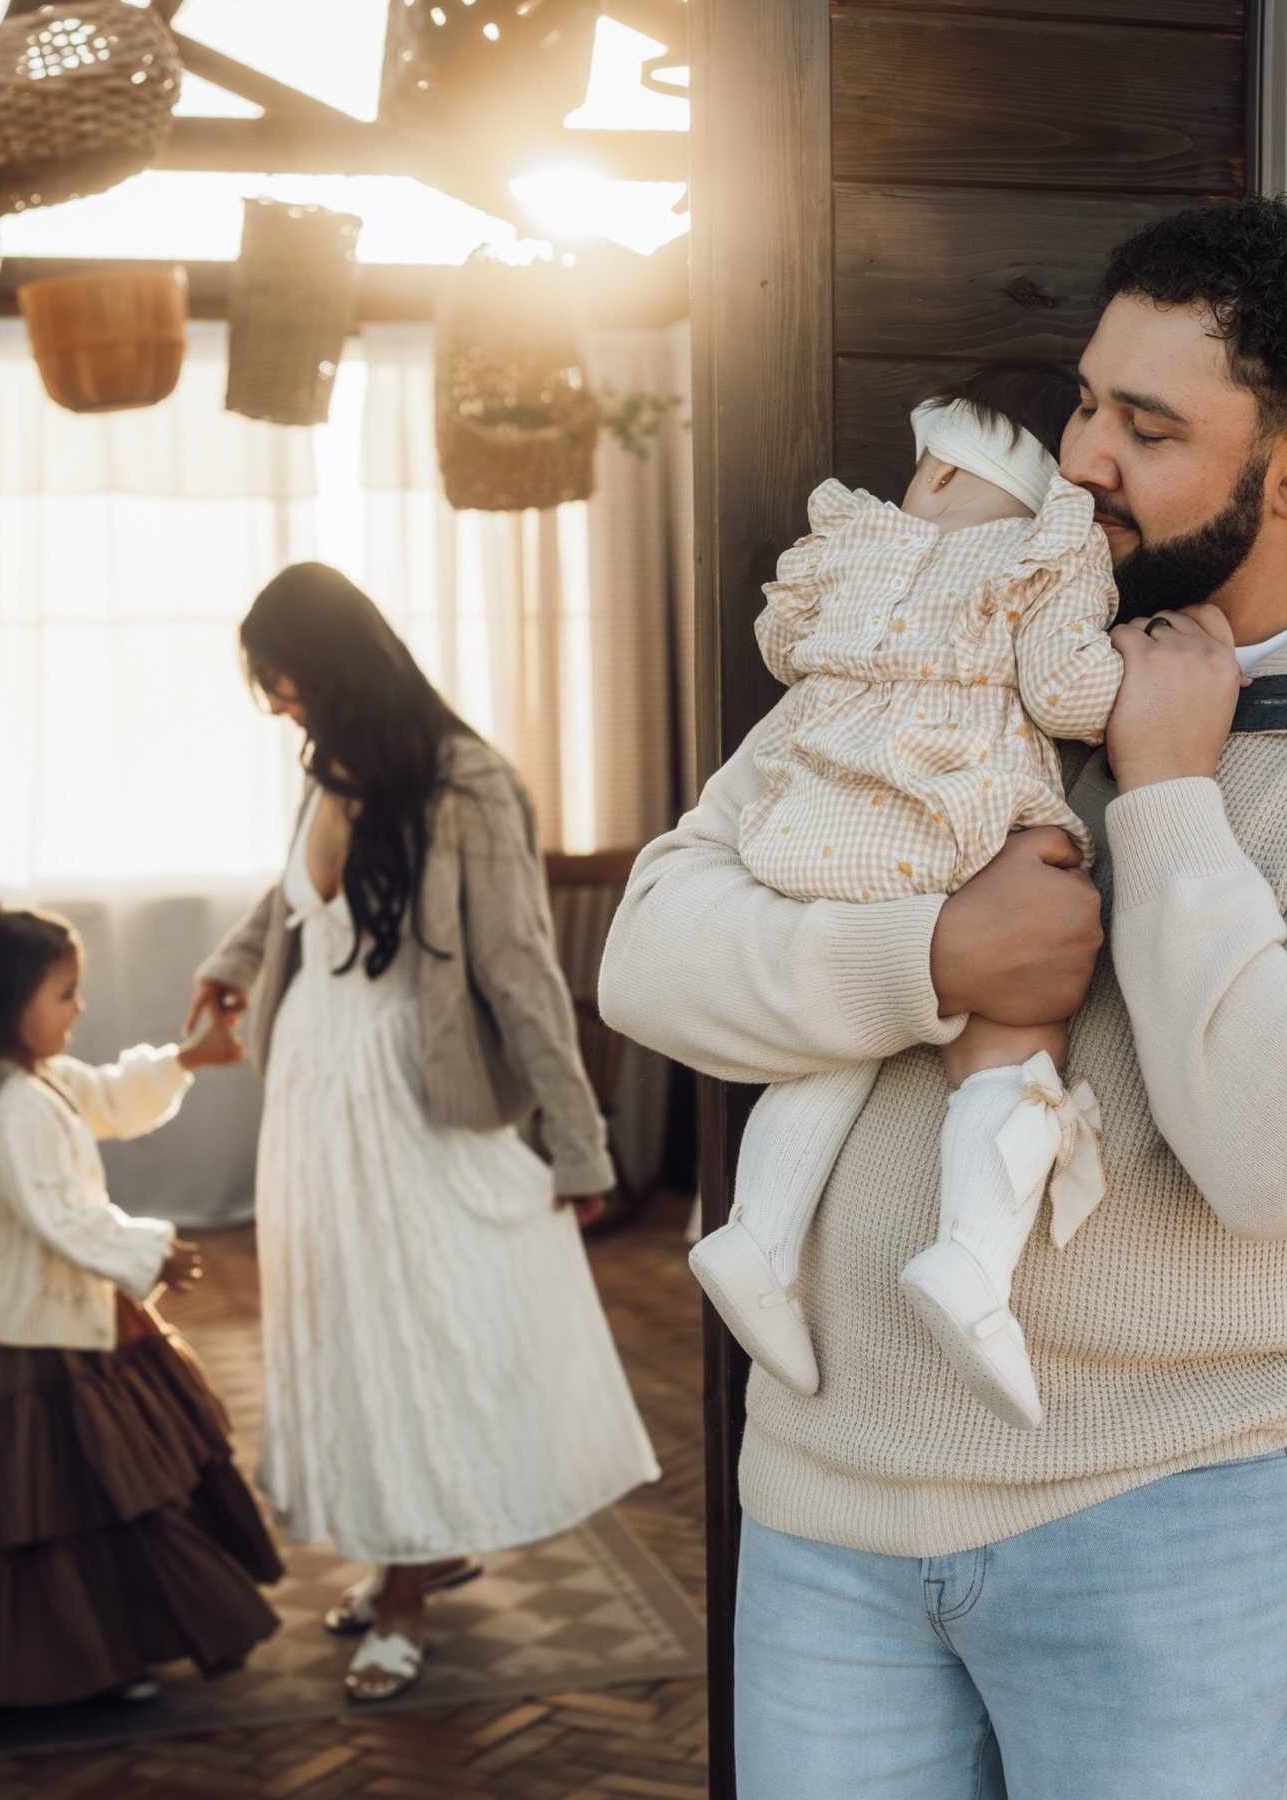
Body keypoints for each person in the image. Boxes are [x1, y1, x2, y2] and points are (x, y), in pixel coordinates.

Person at [600, 194, 1287, 1797]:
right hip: (823, 1515)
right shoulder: (951, 627)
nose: (1084, 457)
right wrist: (925, 965)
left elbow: (1267, 1156)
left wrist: (1172, 795)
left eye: (1149, 426)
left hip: (1176, 1520)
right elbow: (649, 948)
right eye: (1086, 400)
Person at [188, 563, 659, 1704]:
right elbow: (291, 898)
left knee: (412, 1331)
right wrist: (233, 966)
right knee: (343, 1328)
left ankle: (404, 1590)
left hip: (416, 1095)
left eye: (285, 683)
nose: (280, 706)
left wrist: (581, 1139)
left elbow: (522, 971)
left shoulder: (466, 783)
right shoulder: (330, 768)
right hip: (312, 1092)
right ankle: (415, 1543)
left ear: (335, 666)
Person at [691, 362, 1121, 1430]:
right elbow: (1068, 691)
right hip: (947, 826)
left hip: (810, 826)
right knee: (1015, 1018)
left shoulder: (857, 539)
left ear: (931, 470)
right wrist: (1137, 678)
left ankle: (759, 1232)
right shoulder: (1045, 546)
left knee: (848, 1017)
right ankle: (972, 1262)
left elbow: (783, 644)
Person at [0, 903, 282, 1717]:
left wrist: (185, 1058)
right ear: (5, 1003)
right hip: (30, 1337)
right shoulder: (14, 1108)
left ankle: (105, 1645)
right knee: (50, 1499)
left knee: (86, 1492)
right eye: (64, 995)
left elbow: (110, 1096)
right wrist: (151, 1252)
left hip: (56, 1316)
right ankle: (69, 1658)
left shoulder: (32, 1077)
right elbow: (62, 1216)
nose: (78, 1010)